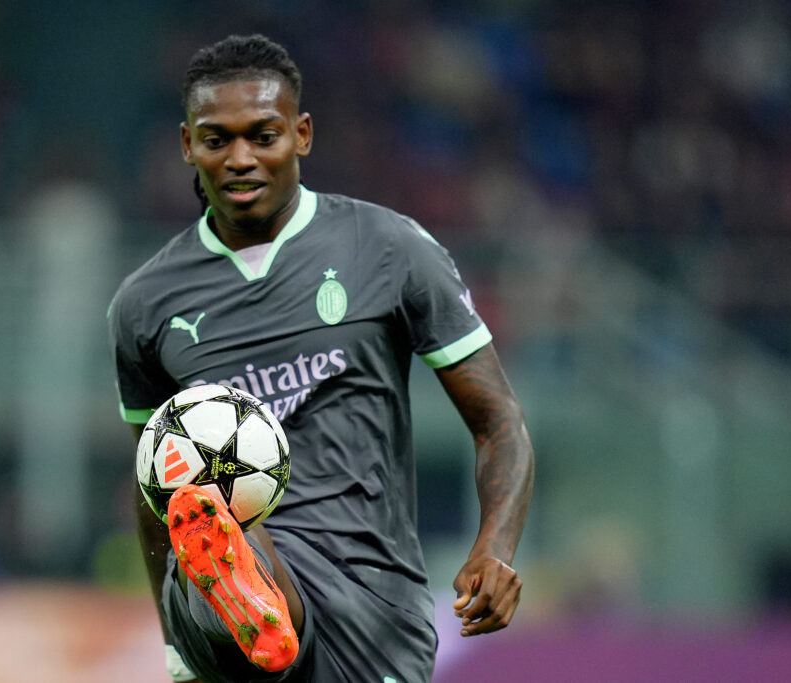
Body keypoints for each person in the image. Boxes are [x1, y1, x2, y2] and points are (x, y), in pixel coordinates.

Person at [108, 34, 534, 683]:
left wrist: (496, 548)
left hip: (371, 594)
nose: (241, 158)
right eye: (218, 140)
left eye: (264, 135)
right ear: (188, 145)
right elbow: (153, 491)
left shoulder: (390, 250)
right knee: (224, 522)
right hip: (234, 605)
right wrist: (177, 642)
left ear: (302, 134)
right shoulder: (145, 304)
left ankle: (239, 592)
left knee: (229, 538)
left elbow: (498, 418)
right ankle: (236, 592)